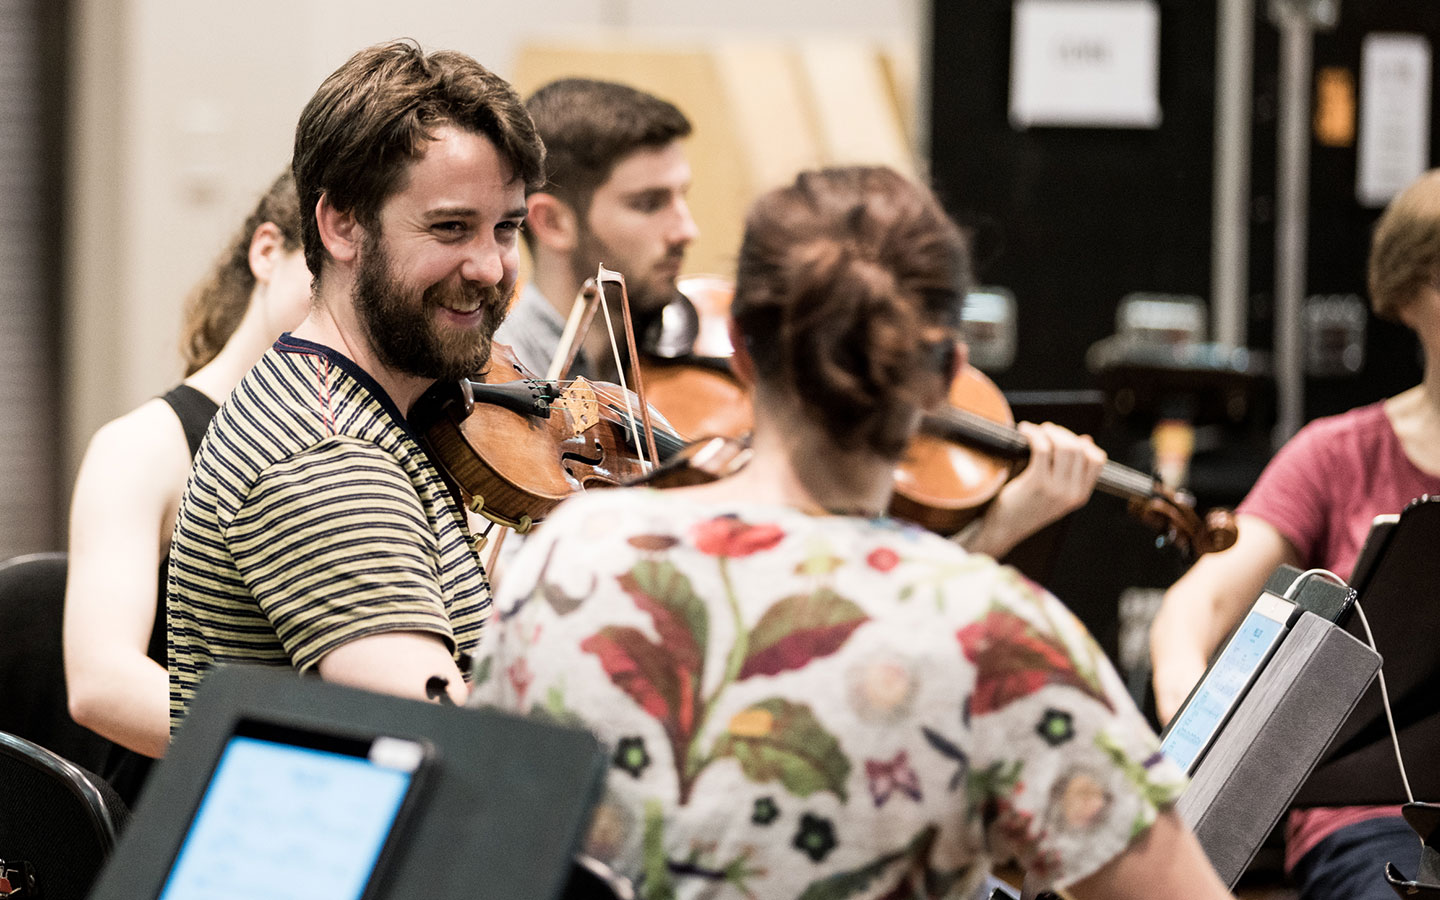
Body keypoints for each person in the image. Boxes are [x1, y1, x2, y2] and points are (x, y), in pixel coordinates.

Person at [470, 166, 1236, 900]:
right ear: (947, 373)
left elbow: (485, 842)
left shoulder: (570, 555)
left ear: (738, 346)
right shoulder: (999, 637)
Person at [500, 76, 1105, 561]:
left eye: (683, 196)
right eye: (649, 204)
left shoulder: (652, 358)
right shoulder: (502, 387)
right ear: (551, 222)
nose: (686, 229)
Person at [165, 40, 544, 727]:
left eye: (507, 228)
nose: (490, 267)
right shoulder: (326, 458)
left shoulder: (373, 407)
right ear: (341, 225)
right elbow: (454, 753)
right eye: (451, 228)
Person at [1149, 168, 1440, 899]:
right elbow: (1197, 608)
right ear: (1409, 293)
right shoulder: (1336, 453)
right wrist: (1199, 736)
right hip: (1374, 825)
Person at [63, 172, 310, 804]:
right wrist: (303, 746)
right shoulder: (143, 446)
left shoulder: (380, 447)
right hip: (189, 799)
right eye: (327, 275)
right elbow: (102, 681)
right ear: (267, 253)